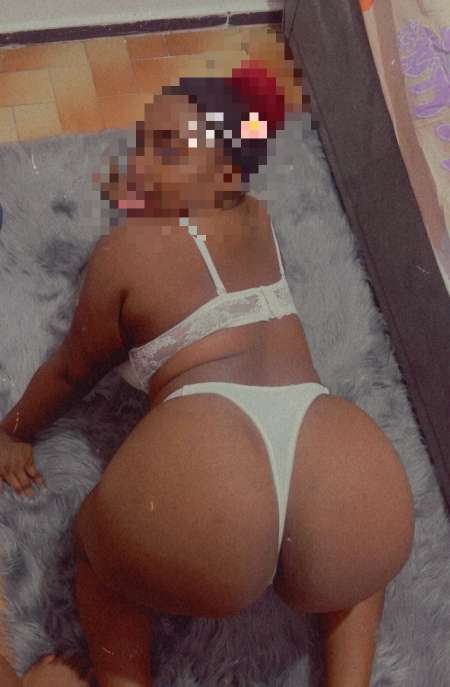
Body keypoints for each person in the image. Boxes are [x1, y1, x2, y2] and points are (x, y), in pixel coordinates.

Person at [0, 59, 415, 687]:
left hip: (207, 471)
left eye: (166, 148)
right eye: (141, 147)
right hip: (333, 449)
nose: (141, 163)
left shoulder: (126, 251)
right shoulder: (260, 221)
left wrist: (15, 429)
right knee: (358, 558)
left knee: (97, 552)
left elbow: (71, 370)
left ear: (227, 171)